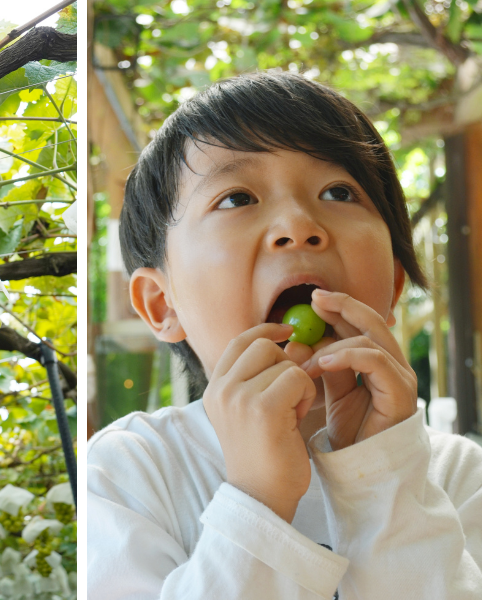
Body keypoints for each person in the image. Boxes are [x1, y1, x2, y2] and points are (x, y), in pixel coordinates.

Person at [87, 71, 482, 599]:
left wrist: (385, 476)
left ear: (391, 285)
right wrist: (257, 499)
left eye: (339, 191)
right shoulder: (128, 472)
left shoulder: (459, 477)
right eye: (236, 198)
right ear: (163, 304)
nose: (299, 224)